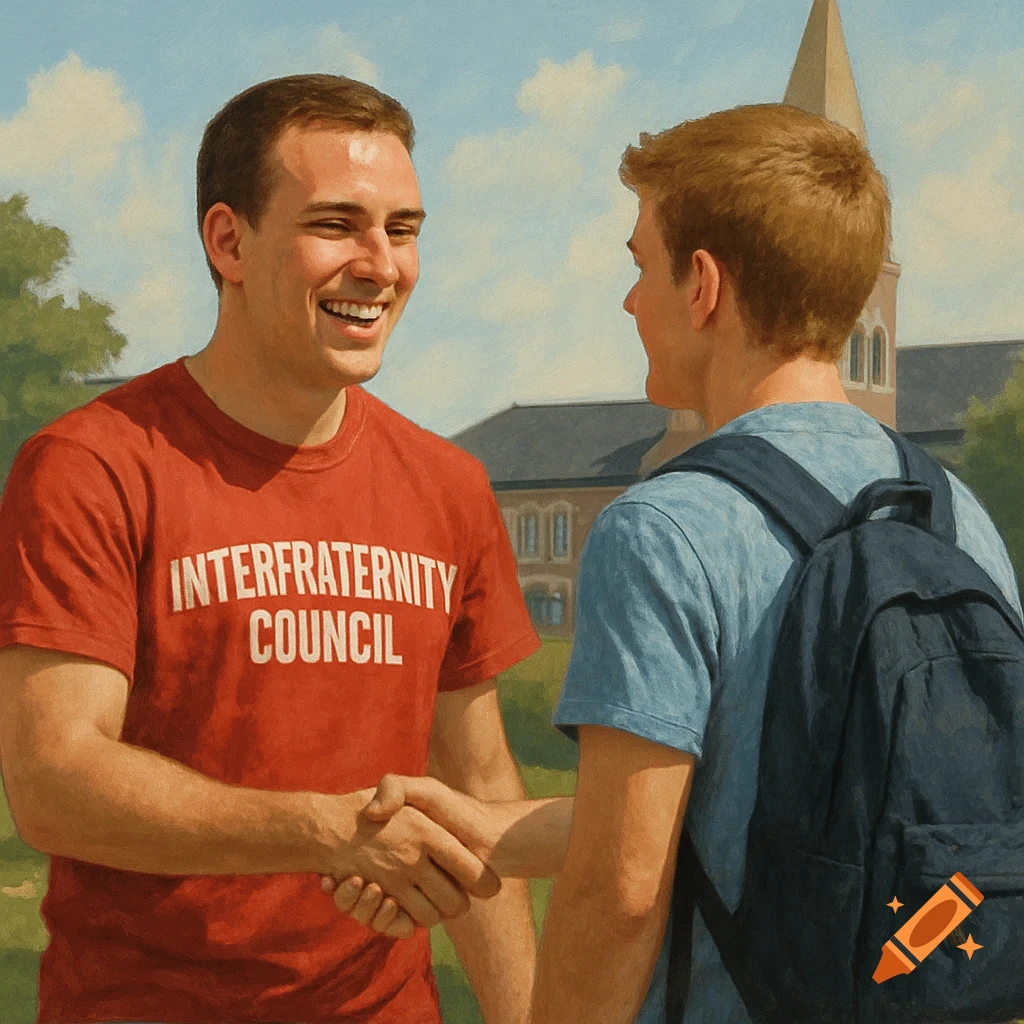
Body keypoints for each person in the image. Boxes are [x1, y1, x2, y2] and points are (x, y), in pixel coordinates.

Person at [327, 103, 1024, 1023]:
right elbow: (729, 815)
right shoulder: (953, 513)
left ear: (703, 285)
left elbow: (623, 887)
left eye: (639, 265)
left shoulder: (663, 526)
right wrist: (488, 829)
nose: (628, 301)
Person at [0, 74, 541, 1024]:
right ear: (228, 240)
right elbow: (54, 781)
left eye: (404, 230)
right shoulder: (91, 466)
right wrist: (327, 831)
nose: (381, 264)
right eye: (337, 225)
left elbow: (477, 790)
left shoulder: (448, 486)